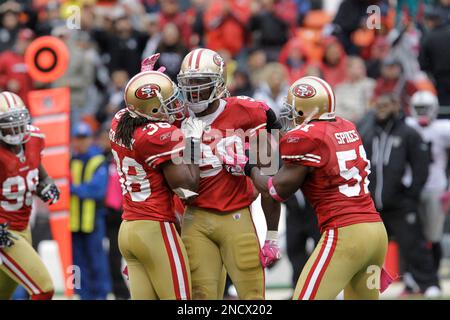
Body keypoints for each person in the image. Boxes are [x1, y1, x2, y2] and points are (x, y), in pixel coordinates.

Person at [226, 76, 389, 300]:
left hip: (345, 233)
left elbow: (276, 190)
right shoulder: (346, 125)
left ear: (306, 110)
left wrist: (248, 166)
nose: (290, 115)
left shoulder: (306, 137)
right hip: (376, 232)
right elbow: (317, 152)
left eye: (294, 109)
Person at [177, 48, 282, 299]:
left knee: (252, 297)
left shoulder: (247, 110)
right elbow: (180, 189)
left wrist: (272, 235)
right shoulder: (175, 117)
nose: (193, 92)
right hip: (194, 217)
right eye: (188, 84)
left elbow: (273, 173)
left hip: (237, 215)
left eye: (201, 84)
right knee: (201, 297)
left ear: (219, 84)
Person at [111, 70, 204, 300]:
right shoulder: (158, 135)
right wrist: (193, 143)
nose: (176, 106)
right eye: (169, 102)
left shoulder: (120, 119)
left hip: (128, 229)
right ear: (152, 109)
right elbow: (188, 189)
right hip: (155, 229)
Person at [358, 93, 441, 297]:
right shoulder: (369, 133)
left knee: (414, 245)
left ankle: (429, 284)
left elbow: (421, 166)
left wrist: (411, 194)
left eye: (387, 103)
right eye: (379, 104)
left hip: (399, 203)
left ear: (397, 105)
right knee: (365, 250)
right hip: (373, 206)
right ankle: (359, 287)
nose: (382, 107)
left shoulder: (408, 133)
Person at [0, 91, 60, 300]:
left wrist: (45, 183)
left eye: (19, 121)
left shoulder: (34, 138)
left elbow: (34, 170)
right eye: (8, 123)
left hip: (23, 227)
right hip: (4, 232)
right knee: (43, 288)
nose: (16, 129)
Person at [406, 91, 450, 276]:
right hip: (410, 186)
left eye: (425, 108)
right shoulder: (407, 126)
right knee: (411, 235)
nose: (422, 112)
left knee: (434, 235)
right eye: (419, 108)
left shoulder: (443, 128)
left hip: (436, 187)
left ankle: (433, 275)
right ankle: (414, 277)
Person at [70, 122, 112, 300]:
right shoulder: (70, 160)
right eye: (78, 138)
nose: (81, 142)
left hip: (93, 220)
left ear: (90, 139)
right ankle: (83, 294)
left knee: (97, 261)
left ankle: (100, 295)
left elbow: (97, 190)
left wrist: (72, 189)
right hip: (73, 222)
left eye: (84, 138)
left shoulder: (98, 160)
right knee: (78, 264)